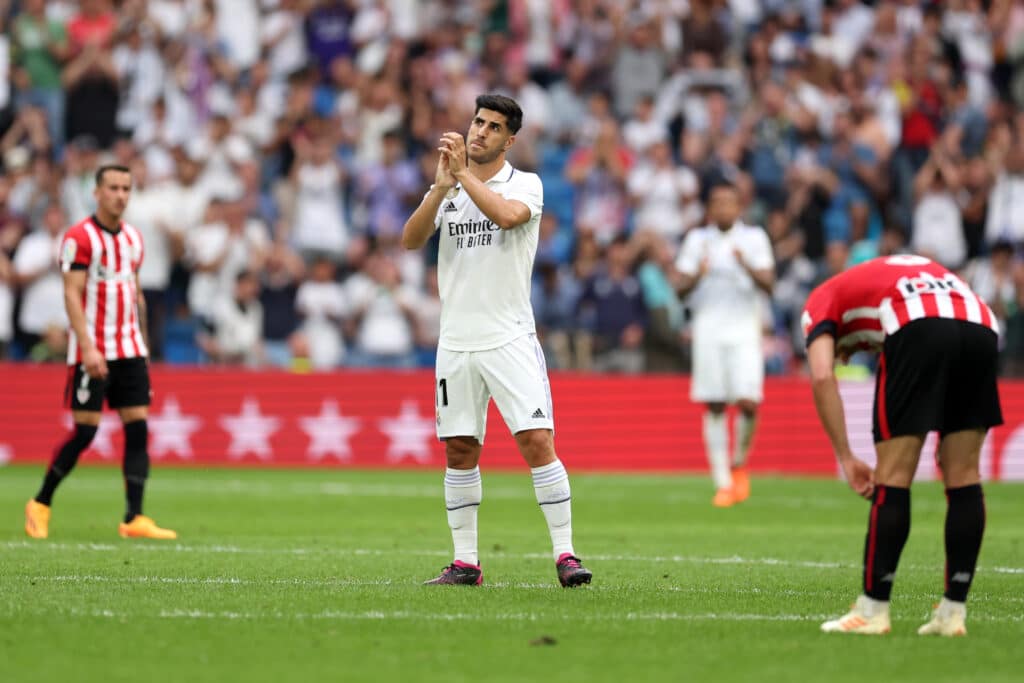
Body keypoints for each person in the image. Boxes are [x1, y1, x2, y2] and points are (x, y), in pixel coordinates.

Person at [401, 94, 592, 588]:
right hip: (456, 340)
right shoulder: (449, 188)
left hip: (509, 336)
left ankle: (566, 554)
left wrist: (462, 177)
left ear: (509, 140)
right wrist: (439, 189)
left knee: (537, 441)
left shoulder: (526, 184)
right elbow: (410, 239)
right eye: (477, 122)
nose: (480, 131)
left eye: (492, 127)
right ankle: (465, 562)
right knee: (459, 450)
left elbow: (507, 217)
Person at [803, 254, 1001, 636]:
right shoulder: (896, 273)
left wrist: (846, 457)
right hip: (981, 324)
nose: (847, 354)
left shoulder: (820, 300)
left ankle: (872, 610)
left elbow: (822, 374)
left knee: (892, 475)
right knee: (963, 475)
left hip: (917, 323)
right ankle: (953, 613)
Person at [24, 165, 177, 541]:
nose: (121, 195)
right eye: (113, 188)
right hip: (93, 349)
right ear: (97, 193)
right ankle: (40, 503)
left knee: (138, 427)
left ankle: (134, 517)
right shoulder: (80, 237)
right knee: (86, 431)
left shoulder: (134, 239)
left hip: (129, 348)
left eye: (126, 188)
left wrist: (142, 343)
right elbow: (71, 294)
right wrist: (87, 347)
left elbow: (135, 292)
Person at [675, 182, 774, 507]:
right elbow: (679, 289)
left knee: (748, 402)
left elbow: (769, 284)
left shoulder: (754, 238)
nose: (723, 208)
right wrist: (699, 274)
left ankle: (739, 462)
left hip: (744, 329)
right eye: (717, 202)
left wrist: (745, 265)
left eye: (728, 202)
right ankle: (723, 482)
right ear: (709, 208)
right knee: (715, 403)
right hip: (708, 329)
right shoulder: (697, 240)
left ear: (739, 207)